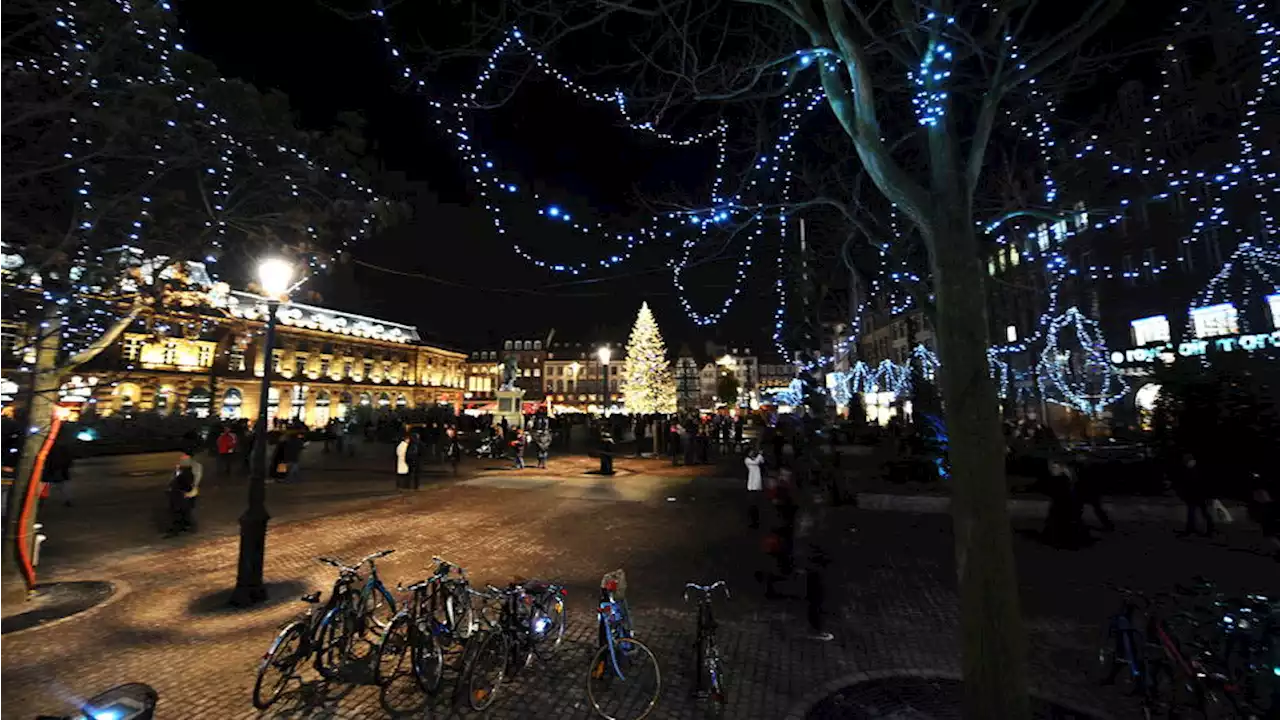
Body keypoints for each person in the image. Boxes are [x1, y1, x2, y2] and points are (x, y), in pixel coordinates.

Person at [1173, 452, 1215, 537]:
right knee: (1199, 512)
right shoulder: (1195, 470)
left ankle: (1193, 529)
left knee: (1195, 512)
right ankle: (1206, 529)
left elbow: (1194, 484)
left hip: (1197, 495)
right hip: (1197, 495)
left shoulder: (1194, 471)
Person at [165, 453, 202, 536]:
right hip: (178, 492)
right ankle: (181, 526)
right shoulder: (180, 467)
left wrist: (193, 489)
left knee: (189, 510)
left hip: (188, 491)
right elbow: (173, 479)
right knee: (178, 510)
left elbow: (196, 479)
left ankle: (190, 526)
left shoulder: (195, 467)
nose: (181, 459)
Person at [43, 439, 74, 507]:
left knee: (59, 484)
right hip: (59, 468)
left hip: (55, 468)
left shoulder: (52, 447)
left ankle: (67, 499)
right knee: (63, 485)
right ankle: (67, 499)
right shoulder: (62, 446)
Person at [745, 446, 765, 529]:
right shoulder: (747, 460)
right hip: (752, 486)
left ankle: (756, 522)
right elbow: (756, 462)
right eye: (751, 452)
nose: (752, 453)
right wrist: (759, 455)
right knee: (752, 505)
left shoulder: (755, 458)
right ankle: (753, 521)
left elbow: (762, 461)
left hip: (757, 485)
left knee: (756, 505)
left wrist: (760, 455)